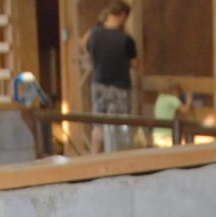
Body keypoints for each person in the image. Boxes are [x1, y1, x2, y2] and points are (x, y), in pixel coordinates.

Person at [81, 2, 138, 154]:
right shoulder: (126, 39)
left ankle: (94, 155)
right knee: (118, 126)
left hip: (98, 84)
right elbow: (134, 64)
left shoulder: (94, 33)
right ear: (123, 15)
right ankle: (116, 157)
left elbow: (85, 45)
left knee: (98, 124)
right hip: (119, 87)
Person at [151, 80, 192, 146]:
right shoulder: (172, 99)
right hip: (167, 135)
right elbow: (185, 110)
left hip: (156, 134)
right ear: (174, 90)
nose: (179, 95)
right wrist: (189, 100)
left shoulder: (160, 97)